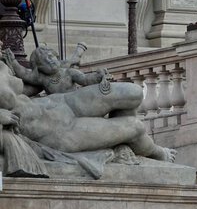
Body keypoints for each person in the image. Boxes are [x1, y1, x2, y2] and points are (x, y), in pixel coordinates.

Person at [0, 55, 176, 166]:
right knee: (135, 127)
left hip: (62, 103)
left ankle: (122, 143)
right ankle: (158, 153)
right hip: (59, 133)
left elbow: (28, 87)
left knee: (133, 93)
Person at [3, 45, 109, 96]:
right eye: (44, 62)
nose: (50, 61)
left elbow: (85, 79)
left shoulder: (69, 72)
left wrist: (98, 76)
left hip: (75, 102)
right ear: (40, 68)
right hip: (57, 106)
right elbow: (24, 73)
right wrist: (12, 61)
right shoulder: (41, 78)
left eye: (50, 56)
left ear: (56, 57)